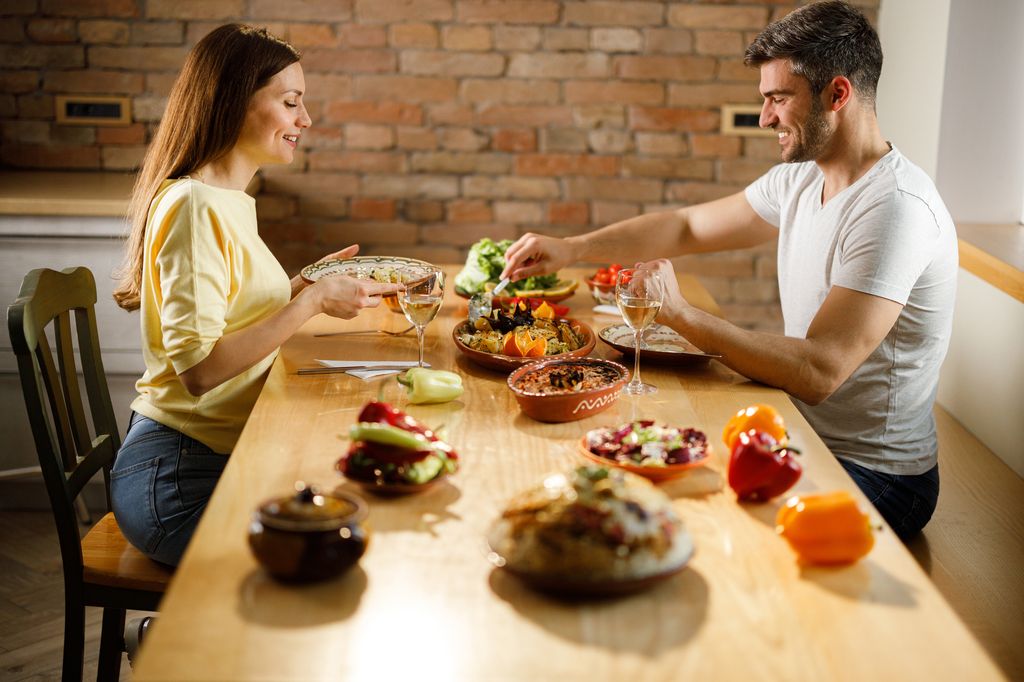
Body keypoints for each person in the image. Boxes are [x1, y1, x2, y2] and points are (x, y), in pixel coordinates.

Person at [500, 0, 957, 540]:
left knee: (679, 518)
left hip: (874, 475)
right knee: (635, 463)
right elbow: (689, 227)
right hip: (792, 432)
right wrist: (573, 247)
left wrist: (679, 314)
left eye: (778, 99)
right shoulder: (803, 180)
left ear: (838, 94)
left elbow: (818, 372)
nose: (765, 118)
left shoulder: (895, 208)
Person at [110, 24, 403, 566]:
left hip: (219, 455)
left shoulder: (226, 200)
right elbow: (199, 370)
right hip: (177, 479)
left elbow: (229, 314)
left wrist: (302, 285)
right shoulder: (195, 205)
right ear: (233, 101)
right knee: (350, 548)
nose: (305, 120)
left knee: (370, 514)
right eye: (291, 103)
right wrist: (308, 304)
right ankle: (177, 643)